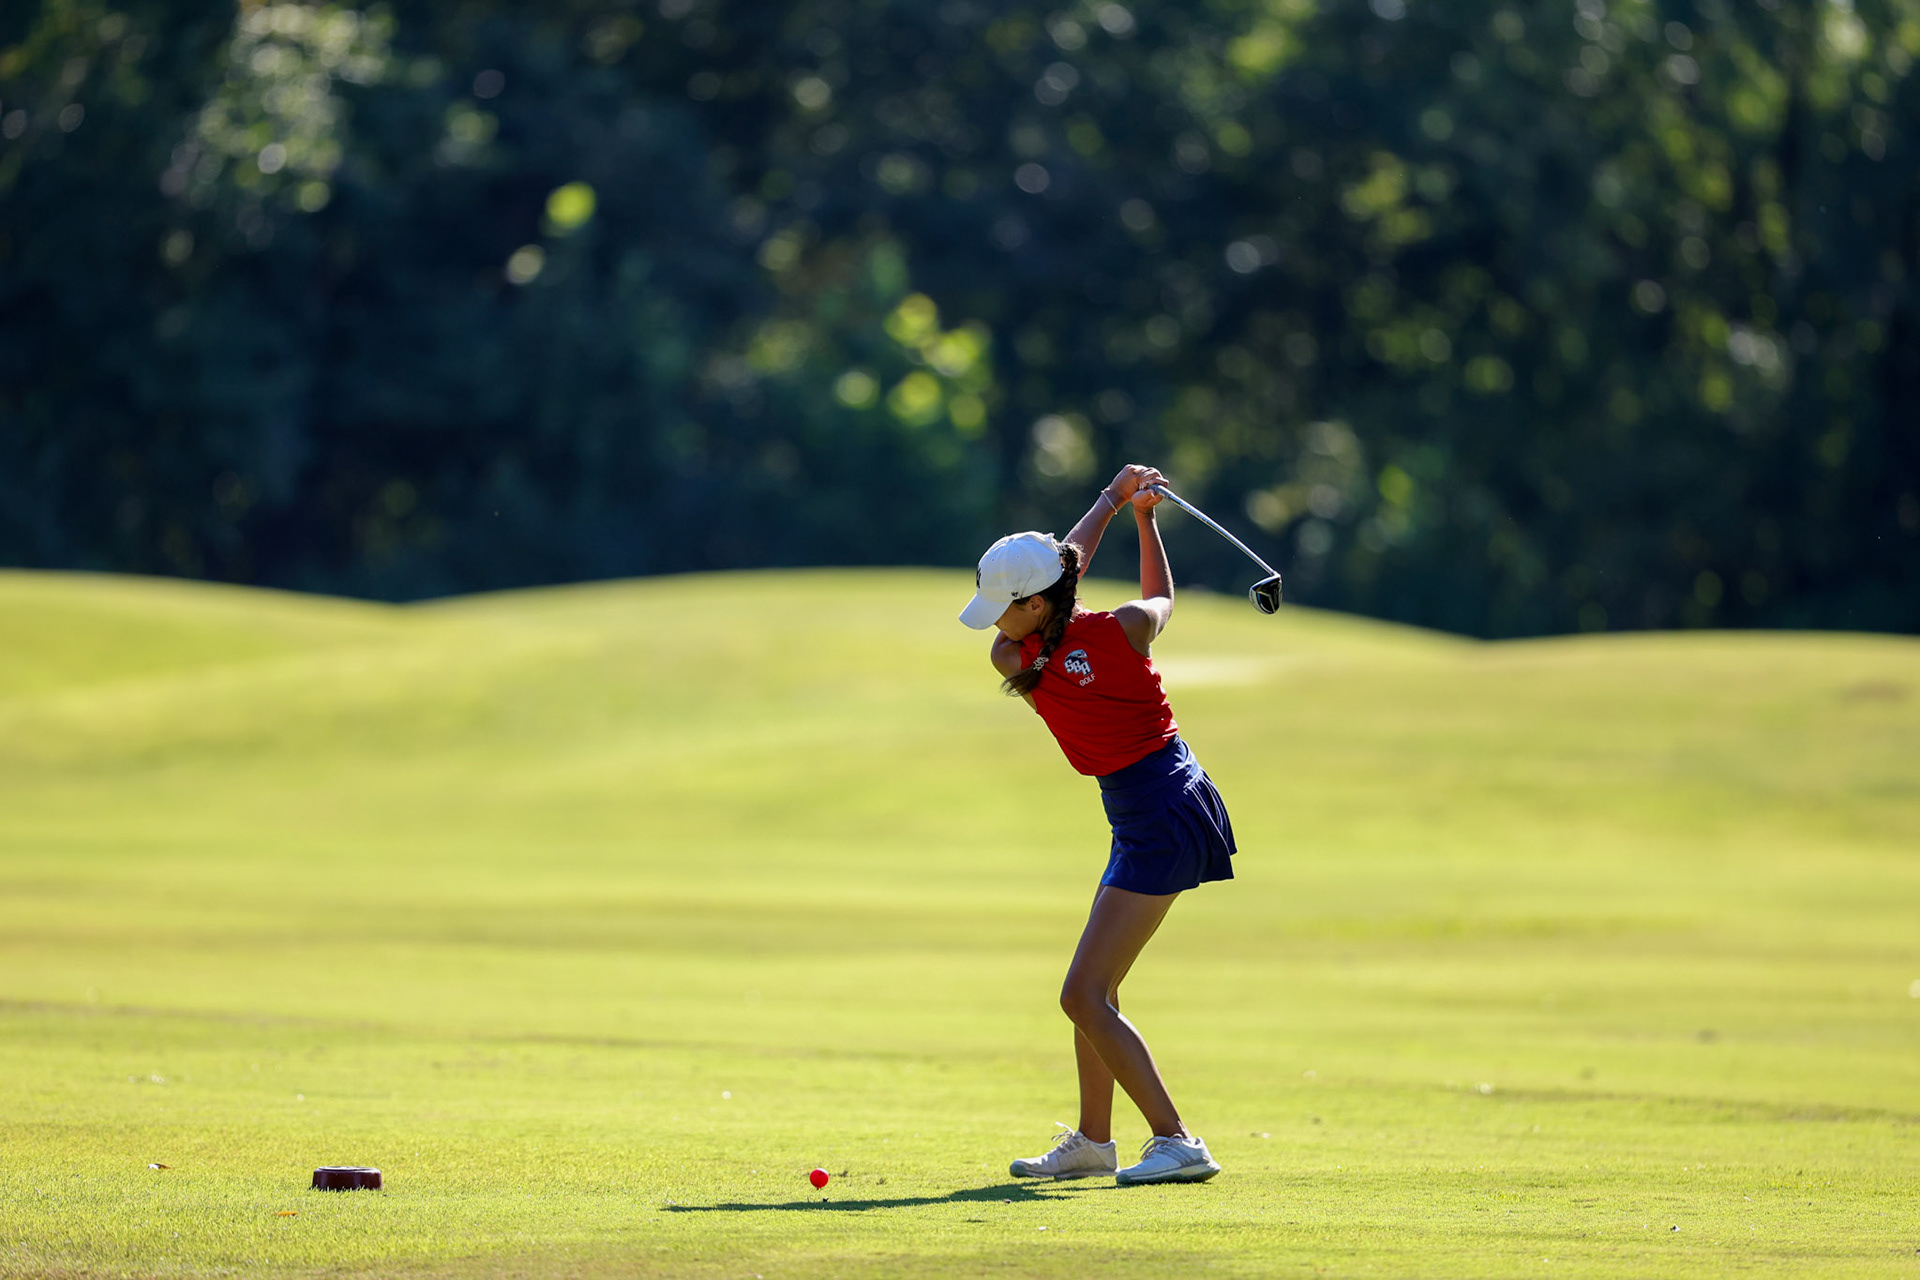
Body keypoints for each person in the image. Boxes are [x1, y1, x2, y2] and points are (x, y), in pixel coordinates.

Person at [957, 463, 1235, 1186]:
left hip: (1165, 812)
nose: (993, 620)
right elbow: (1157, 597)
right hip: (1150, 807)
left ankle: (1178, 1141)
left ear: (1037, 606)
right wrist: (1134, 513)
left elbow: (1071, 572)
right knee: (1095, 993)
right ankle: (1093, 1141)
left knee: (1081, 995)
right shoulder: (1119, 630)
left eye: (1003, 606)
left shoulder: (1018, 658)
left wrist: (1118, 505)